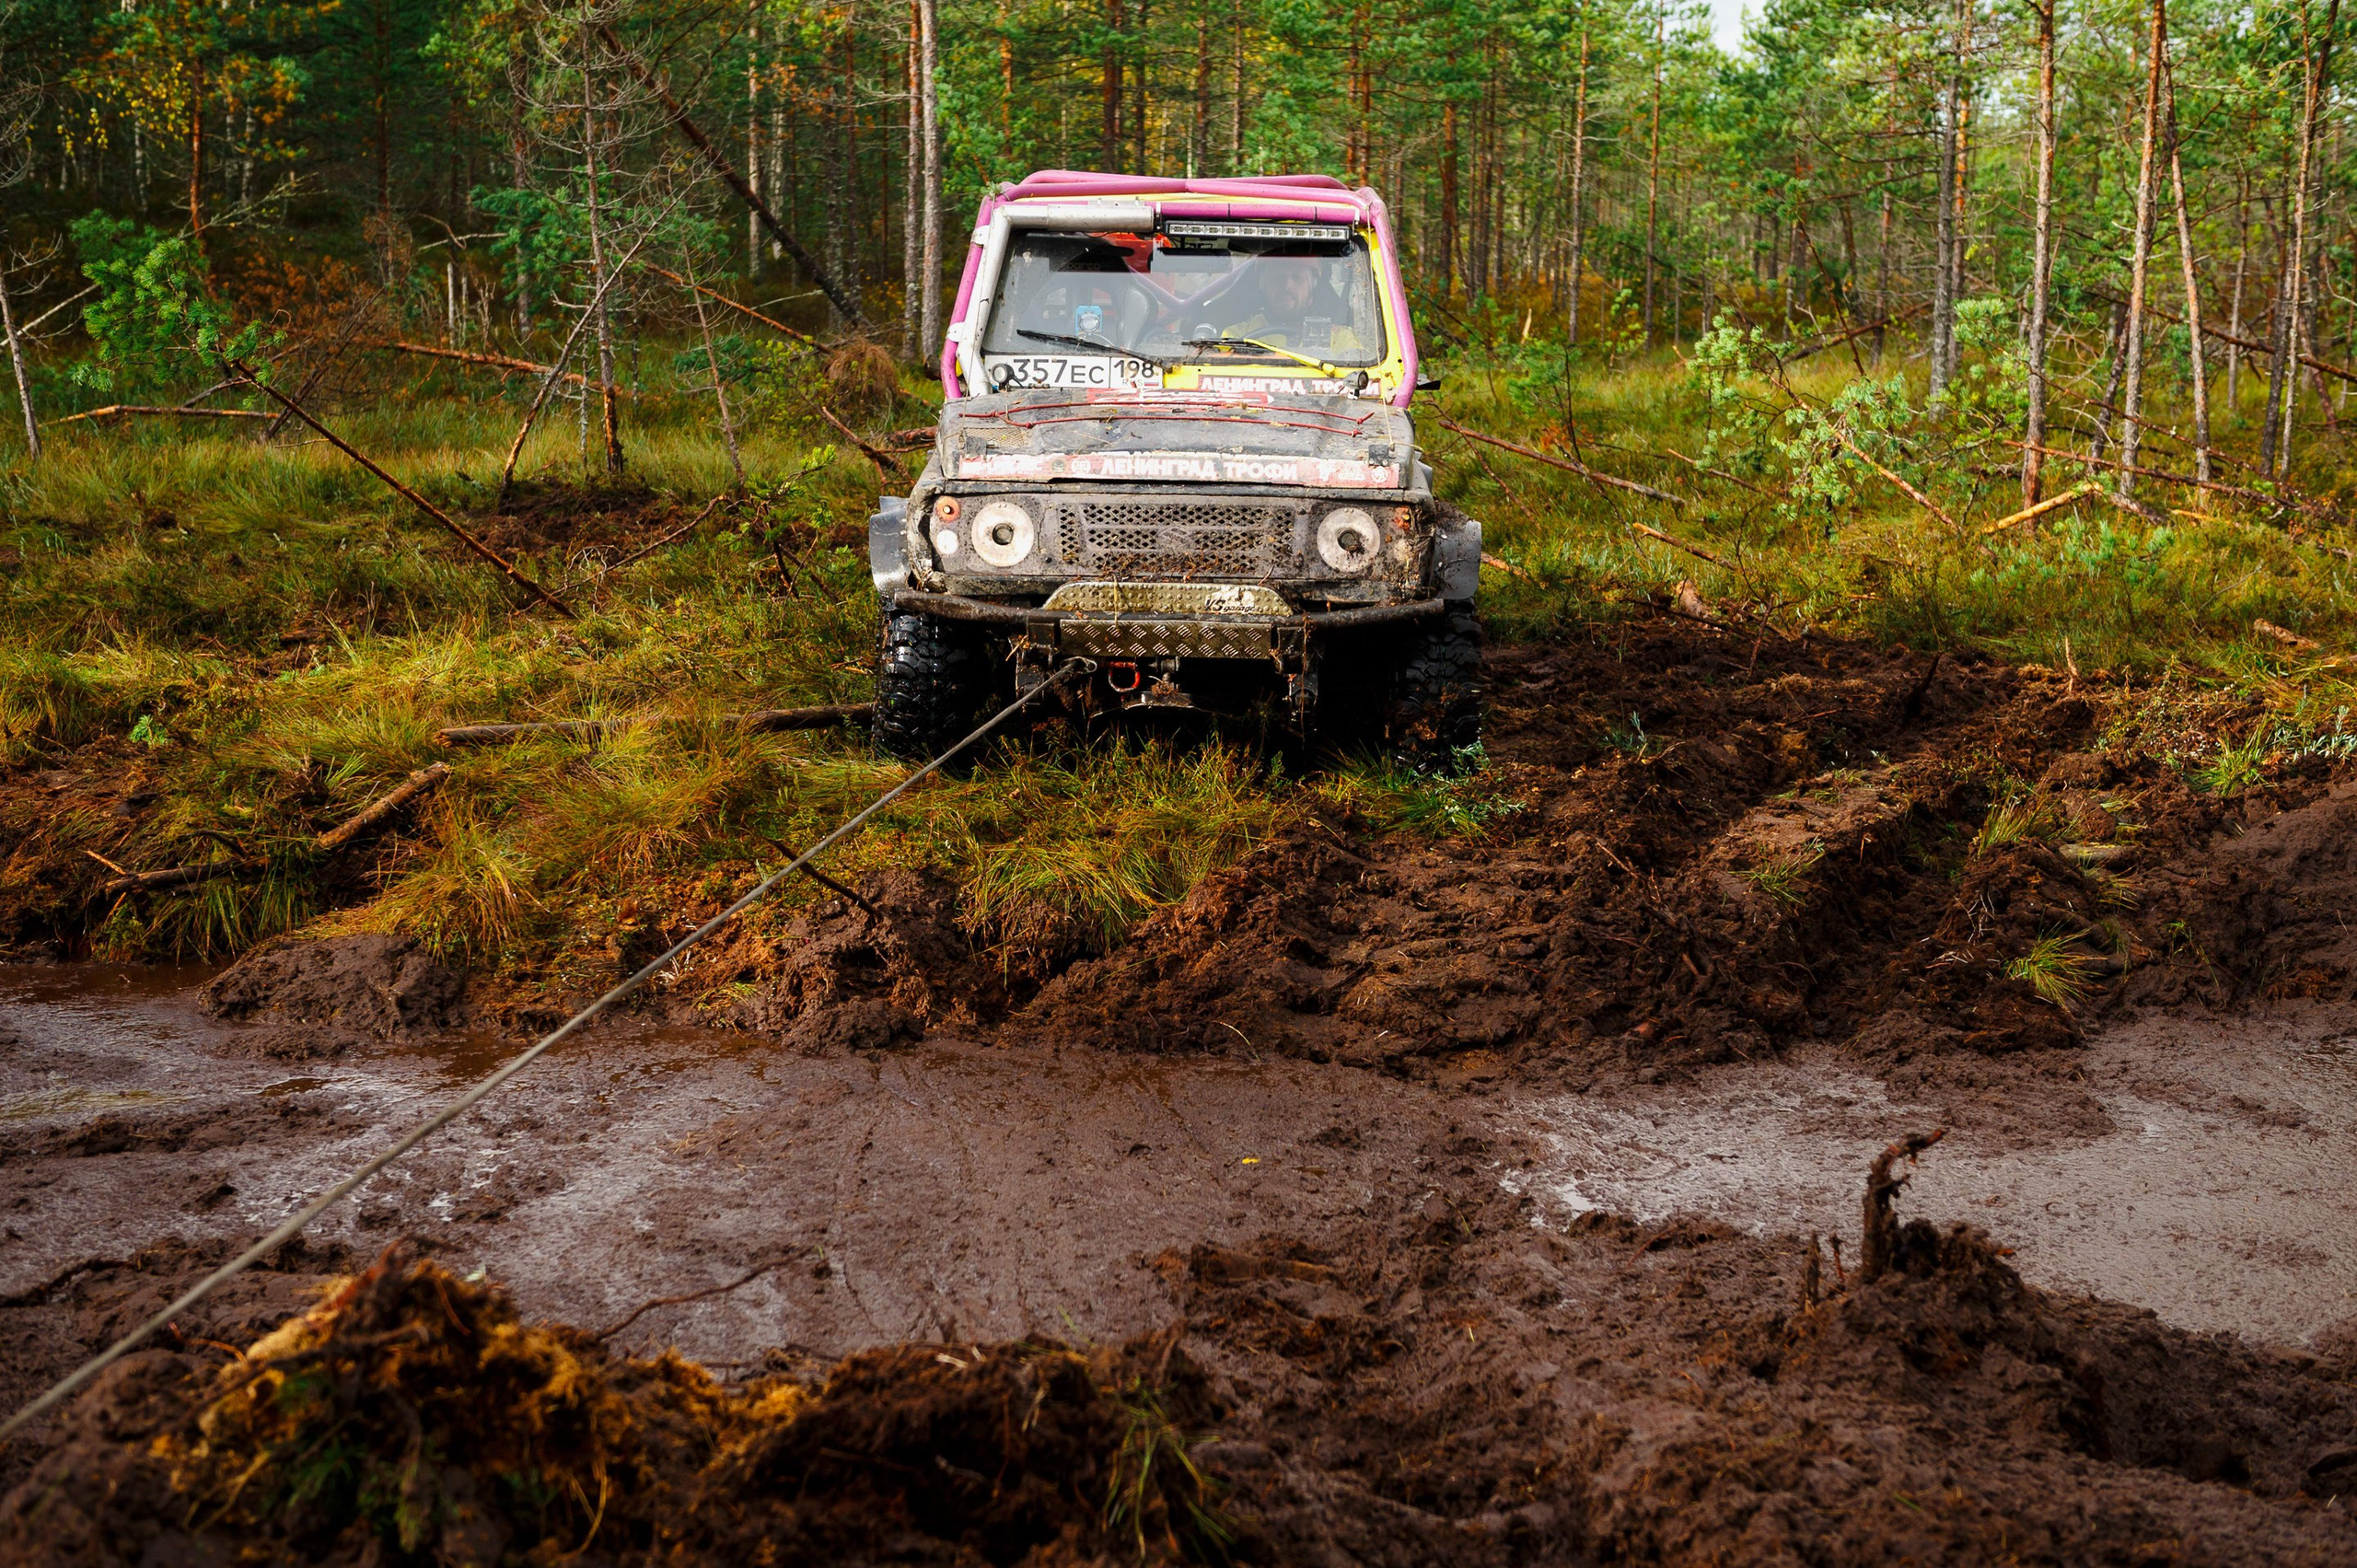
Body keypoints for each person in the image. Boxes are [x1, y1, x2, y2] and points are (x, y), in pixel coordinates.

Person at [1216, 255, 1364, 354]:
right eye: (1278, 278)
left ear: (1313, 288)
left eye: (1297, 277)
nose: (1287, 286)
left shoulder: (1340, 338)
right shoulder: (1236, 336)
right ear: (1263, 287)